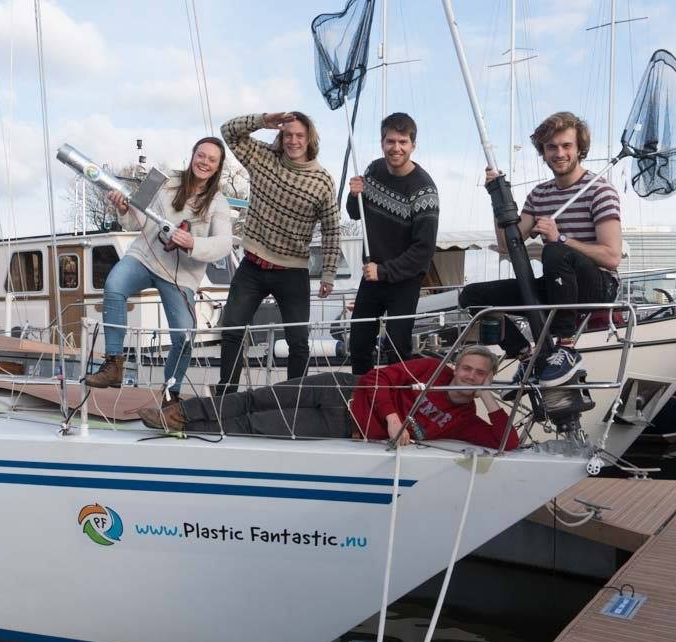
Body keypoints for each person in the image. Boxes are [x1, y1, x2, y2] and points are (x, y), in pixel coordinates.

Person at [458, 111, 622, 387]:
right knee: (473, 297)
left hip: (597, 284)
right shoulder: (540, 195)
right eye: (551, 147)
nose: (559, 153)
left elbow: (612, 257)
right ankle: (527, 356)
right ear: (543, 152)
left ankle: (566, 348)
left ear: (579, 149)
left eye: (566, 146)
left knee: (554, 252)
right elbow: (506, 243)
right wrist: (498, 197)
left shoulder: (599, 191)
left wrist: (561, 238)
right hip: (558, 285)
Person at [139, 345, 520, 451]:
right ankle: (178, 413)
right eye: (467, 368)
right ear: (456, 366)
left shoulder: (467, 418)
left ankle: (186, 431)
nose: (470, 376)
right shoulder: (428, 369)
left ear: (487, 379)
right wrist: (390, 417)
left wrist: (489, 401)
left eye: (480, 374)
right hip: (341, 386)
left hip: (343, 424)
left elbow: (507, 443)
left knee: (256, 425)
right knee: (257, 397)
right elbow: (376, 377)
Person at [84, 137, 233, 398]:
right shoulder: (162, 182)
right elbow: (134, 220)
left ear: (218, 166)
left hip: (180, 277)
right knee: (114, 285)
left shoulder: (218, 202)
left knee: (185, 337)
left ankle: (170, 395)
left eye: (212, 159)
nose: (204, 162)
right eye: (201, 155)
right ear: (192, 155)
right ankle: (113, 364)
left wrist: (192, 242)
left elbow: (223, 244)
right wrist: (122, 208)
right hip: (144, 258)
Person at [215, 112, 341, 394]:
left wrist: (329, 273)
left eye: (299, 135)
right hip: (252, 266)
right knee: (233, 330)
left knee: (298, 341)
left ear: (310, 140)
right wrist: (263, 120)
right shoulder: (262, 158)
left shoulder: (322, 181)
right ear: (280, 137)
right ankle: (226, 395)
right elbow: (228, 131)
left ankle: (292, 399)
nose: (293, 141)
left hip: (292, 271)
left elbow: (332, 229)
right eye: (288, 135)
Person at [346, 112, 439, 376]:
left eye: (402, 142)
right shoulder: (373, 170)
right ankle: (361, 397)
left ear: (413, 145)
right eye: (390, 141)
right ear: (382, 142)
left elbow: (423, 251)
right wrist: (354, 196)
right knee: (359, 342)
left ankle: (399, 403)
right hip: (372, 275)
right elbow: (355, 213)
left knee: (398, 347)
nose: (395, 148)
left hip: (404, 280)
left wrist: (384, 271)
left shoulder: (424, 190)